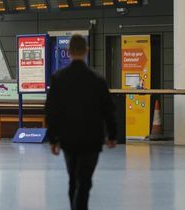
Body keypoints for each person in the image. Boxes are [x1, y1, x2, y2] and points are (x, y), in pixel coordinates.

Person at [45, 34, 117, 210]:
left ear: (68, 52)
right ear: (87, 51)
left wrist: (53, 138)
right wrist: (112, 134)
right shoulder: (98, 79)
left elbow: (52, 111)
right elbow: (108, 109)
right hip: (92, 139)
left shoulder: (58, 78)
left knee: (73, 179)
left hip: (68, 138)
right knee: (85, 180)